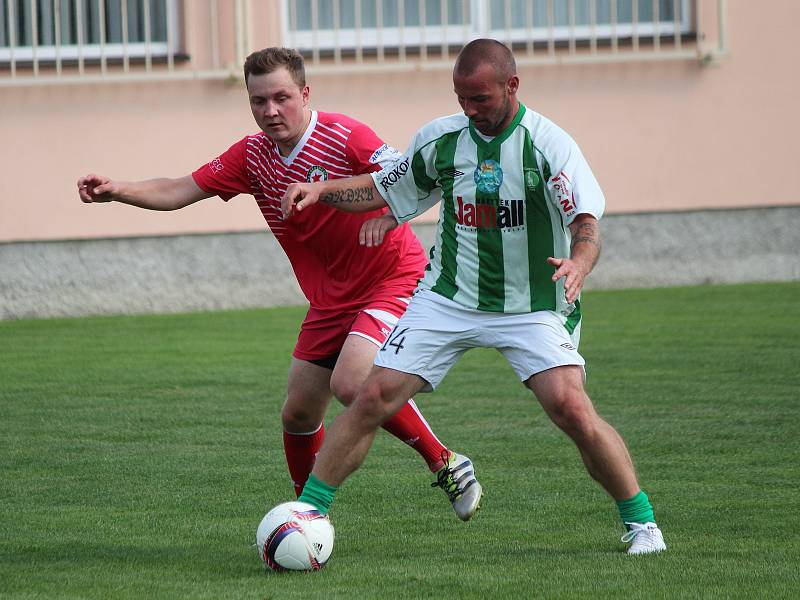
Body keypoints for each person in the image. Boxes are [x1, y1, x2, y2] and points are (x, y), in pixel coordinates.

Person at [281, 39, 666, 555]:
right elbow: (384, 188)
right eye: (461, 98)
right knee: (371, 395)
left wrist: (579, 263)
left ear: (512, 86)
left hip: (532, 304)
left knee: (571, 408)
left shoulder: (547, 145)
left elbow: (586, 224)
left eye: (480, 98)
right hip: (448, 298)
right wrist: (324, 190)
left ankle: (642, 524)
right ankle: (308, 514)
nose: (469, 109)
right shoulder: (441, 141)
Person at [76, 47, 483, 521]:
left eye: (282, 98)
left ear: (305, 93)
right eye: (259, 101)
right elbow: (181, 188)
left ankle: (446, 462)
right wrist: (118, 190)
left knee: (352, 382)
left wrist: (392, 213)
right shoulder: (252, 156)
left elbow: (405, 175)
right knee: (298, 413)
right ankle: (305, 517)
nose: (270, 111)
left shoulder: (345, 135)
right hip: (330, 298)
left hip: (390, 277)